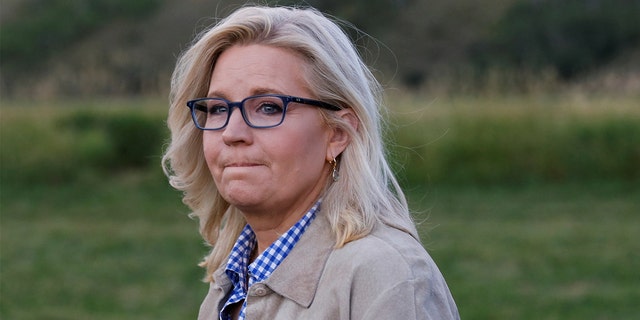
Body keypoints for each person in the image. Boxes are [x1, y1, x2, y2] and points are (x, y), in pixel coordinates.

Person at [162, 5, 459, 320]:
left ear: (337, 133)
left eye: (268, 107)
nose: (232, 133)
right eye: (218, 108)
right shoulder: (234, 277)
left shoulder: (387, 276)